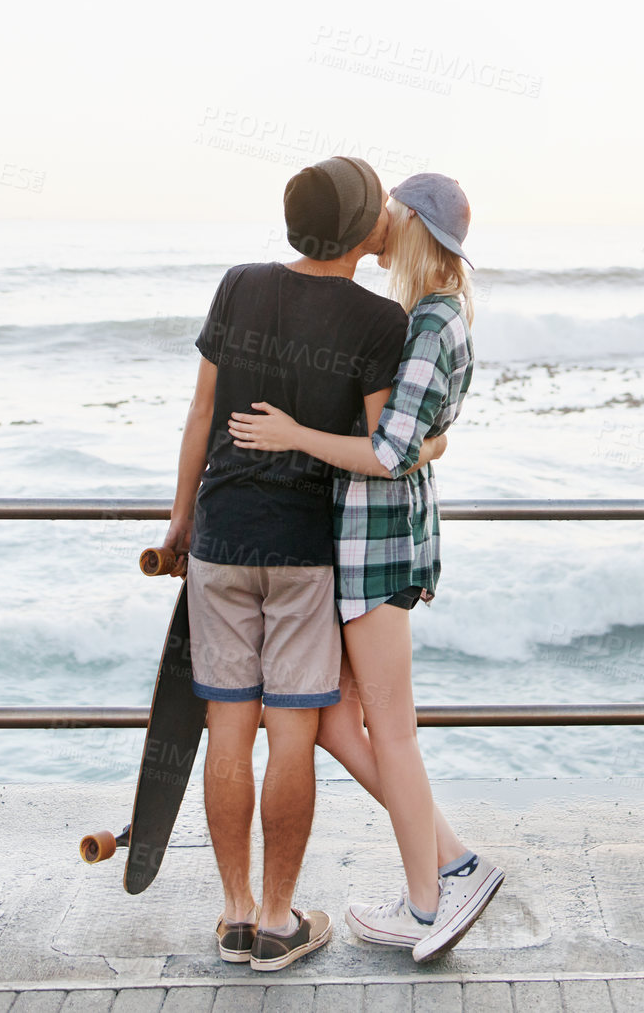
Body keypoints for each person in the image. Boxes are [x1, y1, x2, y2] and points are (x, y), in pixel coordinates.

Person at [230, 172, 503, 964]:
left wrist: (292, 435)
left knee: (388, 728)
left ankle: (428, 904)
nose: (376, 218)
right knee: (333, 718)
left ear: (411, 221)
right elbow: (422, 438)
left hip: (380, 546)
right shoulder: (432, 312)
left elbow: (389, 453)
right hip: (377, 541)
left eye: (389, 209)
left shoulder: (427, 321)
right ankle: (452, 859)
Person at [161, 155, 419, 972]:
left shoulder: (239, 283)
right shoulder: (380, 321)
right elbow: (385, 450)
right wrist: (434, 440)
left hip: (220, 535)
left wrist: (179, 517)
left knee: (228, 731)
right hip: (307, 552)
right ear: (357, 227)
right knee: (292, 738)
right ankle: (279, 918)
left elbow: (202, 409)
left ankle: (235, 912)